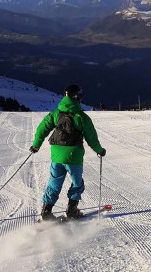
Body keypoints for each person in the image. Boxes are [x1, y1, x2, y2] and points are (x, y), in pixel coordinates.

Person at [30, 84, 106, 221]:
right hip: (73, 157)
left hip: (57, 156)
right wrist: (99, 151)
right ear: (77, 98)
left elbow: (42, 128)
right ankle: (71, 211)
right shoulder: (82, 117)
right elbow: (91, 138)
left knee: (54, 183)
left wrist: (36, 145)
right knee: (77, 184)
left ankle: (46, 213)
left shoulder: (56, 114)